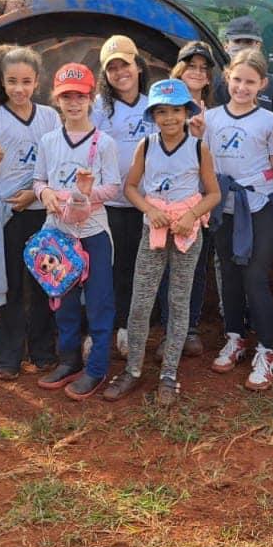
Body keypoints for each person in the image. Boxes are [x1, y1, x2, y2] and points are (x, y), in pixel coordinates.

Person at [103, 79, 221, 406]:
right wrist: (149, 209)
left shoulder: (199, 148)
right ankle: (133, 368)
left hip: (186, 231)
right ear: (153, 115)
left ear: (187, 112)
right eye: (162, 111)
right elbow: (130, 187)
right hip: (154, 231)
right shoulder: (147, 145)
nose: (169, 118)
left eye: (176, 111)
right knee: (141, 300)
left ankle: (169, 372)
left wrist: (192, 214)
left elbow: (213, 193)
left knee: (178, 301)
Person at [32, 63, 121, 399]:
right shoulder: (49, 141)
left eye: (80, 96)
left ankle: (97, 367)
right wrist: (47, 194)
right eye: (66, 96)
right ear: (57, 100)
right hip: (58, 234)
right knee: (63, 300)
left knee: (99, 300)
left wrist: (83, 193)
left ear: (91, 98)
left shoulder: (104, 143)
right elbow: (39, 180)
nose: (73, 103)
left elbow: (113, 186)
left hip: (94, 233)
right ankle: (68, 360)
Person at [204, 49, 273, 389]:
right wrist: (196, 134)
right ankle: (236, 336)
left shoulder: (269, 121)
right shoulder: (209, 118)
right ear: (227, 78)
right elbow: (204, 165)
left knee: (255, 275)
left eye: (250, 82)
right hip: (223, 206)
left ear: (262, 84)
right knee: (229, 274)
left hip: (259, 205)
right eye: (237, 79)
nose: (242, 87)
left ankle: (268, 349)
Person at [0, 45, 61, 379]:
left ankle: (43, 351)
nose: (19, 88)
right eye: (12, 81)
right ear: (3, 82)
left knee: (43, 281)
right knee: (10, 284)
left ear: (37, 82)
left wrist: (34, 193)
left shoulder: (49, 118)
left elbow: (57, 164)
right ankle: (7, 356)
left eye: (26, 81)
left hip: (42, 211)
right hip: (10, 214)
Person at [91, 35, 154, 359]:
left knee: (136, 269)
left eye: (124, 65)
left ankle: (130, 330)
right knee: (109, 268)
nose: (120, 73)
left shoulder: (151, 105)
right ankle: (102, 330)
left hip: (145, 204)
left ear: (138, 66)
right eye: (112, 68)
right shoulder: (100, 108)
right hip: (111, 203)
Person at [162, 40, 219, 356]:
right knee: (166, 266)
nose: (197, 72)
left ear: (210, 77)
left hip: (199, 202)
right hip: (167, 201)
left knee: (195, 266)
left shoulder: (217, 114)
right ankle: (170, 328)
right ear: (179, 71)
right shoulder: (167, 111)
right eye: (191, 66)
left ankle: (190, 327)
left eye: (203, 68)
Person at [213, 15, 273, 112]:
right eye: (237, 41)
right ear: (226, 45)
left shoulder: (270, 82)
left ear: (258, 45)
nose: (242, 46)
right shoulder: (217, 82)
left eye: (248, 42)